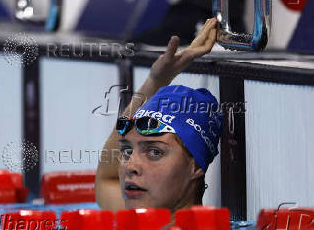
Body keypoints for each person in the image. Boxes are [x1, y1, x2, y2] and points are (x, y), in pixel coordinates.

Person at [95, 18, 223, 213]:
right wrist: (157, 80)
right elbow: (107, 178)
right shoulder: (134, 218)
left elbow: (107, 179)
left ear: (194, 166)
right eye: (127, 151)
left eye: (155, 152)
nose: (130, 166)